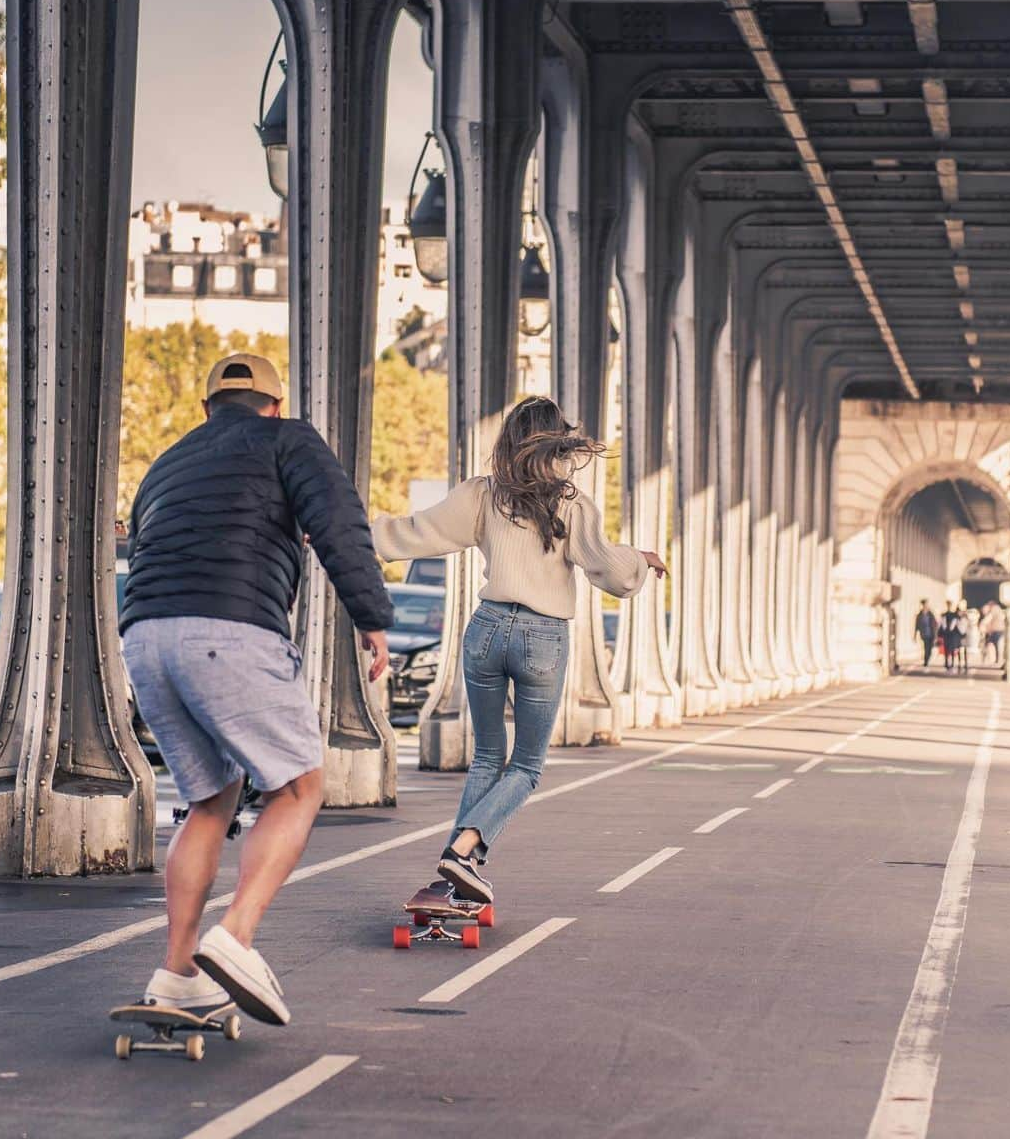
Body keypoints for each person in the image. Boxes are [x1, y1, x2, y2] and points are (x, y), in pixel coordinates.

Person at [120, 352, 393, 1025]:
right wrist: (372, 618)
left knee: (208, 801)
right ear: (272, 405)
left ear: (207, 409)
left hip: (147, 636)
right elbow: (339, 523)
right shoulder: (287, 438)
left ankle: (178, 972)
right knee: (298, 786)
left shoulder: (167, 461)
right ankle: (235, 936)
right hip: (231, 627)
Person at [371, 396, 664, 904]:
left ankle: (452, 874)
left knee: (487, 756)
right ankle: (463, 854)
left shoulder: (483, 496)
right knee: (526, 767)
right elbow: (611, 572)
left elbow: (417, 532)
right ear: (559, 444)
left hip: (485, 630)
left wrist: (349, 534)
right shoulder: (570, 505)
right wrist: (639, 560)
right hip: (542, 639)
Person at [938, 600, 962, 674]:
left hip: (952, 635)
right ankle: (947, 663)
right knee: (946, 649)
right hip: (946, 635)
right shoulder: (944, 615)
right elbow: (941, 625)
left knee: (951, 650)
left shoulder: (954, 615)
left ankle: (951, 664)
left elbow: (958, 625)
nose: (949, 606)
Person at [982, 599, 1007, 666]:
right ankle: (998, 661)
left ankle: (988, 660)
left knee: (989, 643)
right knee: (997, 646)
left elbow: (989, 618)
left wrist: (983, 623)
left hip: (996, 630)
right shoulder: (999, 610)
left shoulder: (994, 609)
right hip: (1000, 630)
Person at [913, 599, 937, 667]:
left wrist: (935, 635)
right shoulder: (919, 615)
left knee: (930, 649)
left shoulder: (931, 614)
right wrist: (915, 635)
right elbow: (916, 626)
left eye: (926, 604)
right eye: (924, 604)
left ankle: (927, 658)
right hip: (924, 634)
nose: (925, 606)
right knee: (926, 647)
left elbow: (935, 624)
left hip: (931, 634)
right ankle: (926, 661)